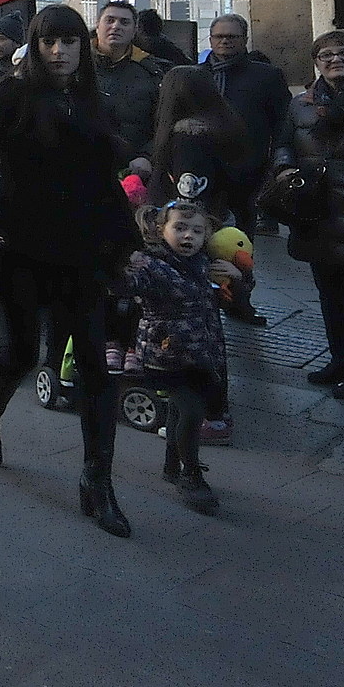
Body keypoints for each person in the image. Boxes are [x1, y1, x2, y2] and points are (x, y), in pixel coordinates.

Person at [0, 2, 143, 536]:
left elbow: (102, 178)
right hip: (23, 246)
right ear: (37, 46)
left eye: (69, 41)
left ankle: (97, 481)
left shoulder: (91, 99)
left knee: (94, 361)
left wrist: (128, 240)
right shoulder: (12, 95)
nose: (60, 52)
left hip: (84, 249)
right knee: (18, 350)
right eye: (50, 42)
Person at [269, 30, 344, 398]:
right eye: (326, 55)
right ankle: (339, 358)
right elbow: (283, 142)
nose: (336, 59)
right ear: (316, 62)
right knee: (329, 292)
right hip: (316, 209)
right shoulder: (301, 103)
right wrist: (285, 170)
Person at [118, 195, 232, 514]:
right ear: (160, 229)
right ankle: (190, 474)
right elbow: (127, 282)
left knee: (184, 409)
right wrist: (119, 268)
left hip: (202, 351)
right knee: (192, 411)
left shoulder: (205, 262)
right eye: (180, 228)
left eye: (196, 231)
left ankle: (172, 464)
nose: (188, 237)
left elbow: (231, 300)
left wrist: (238, 278)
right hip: (166, 355)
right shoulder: (152, 263)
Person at [198, 14, 287, 233]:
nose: (224, 41)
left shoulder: (267, 76)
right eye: (219, 36)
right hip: (203, 167)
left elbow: (283, 123)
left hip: (249, 169)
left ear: (244, 39)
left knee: (241, 242)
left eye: (231, 36)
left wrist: (276, 165)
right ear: (210, 40)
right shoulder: (195, 75)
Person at [144, 64, 254, 224]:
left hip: (195, 228)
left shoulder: (189, 138)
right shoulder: (225, 126)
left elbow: (189, 203)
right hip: (224, 218)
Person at [91, 0, 167, 174]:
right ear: (97, 26)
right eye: (109, 20)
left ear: (134, 31)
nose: (116, 26)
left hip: (136, 169)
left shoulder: (152, 72)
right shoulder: (76, 68)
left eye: (124, 22)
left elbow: (165, 121)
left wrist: (148, 156)